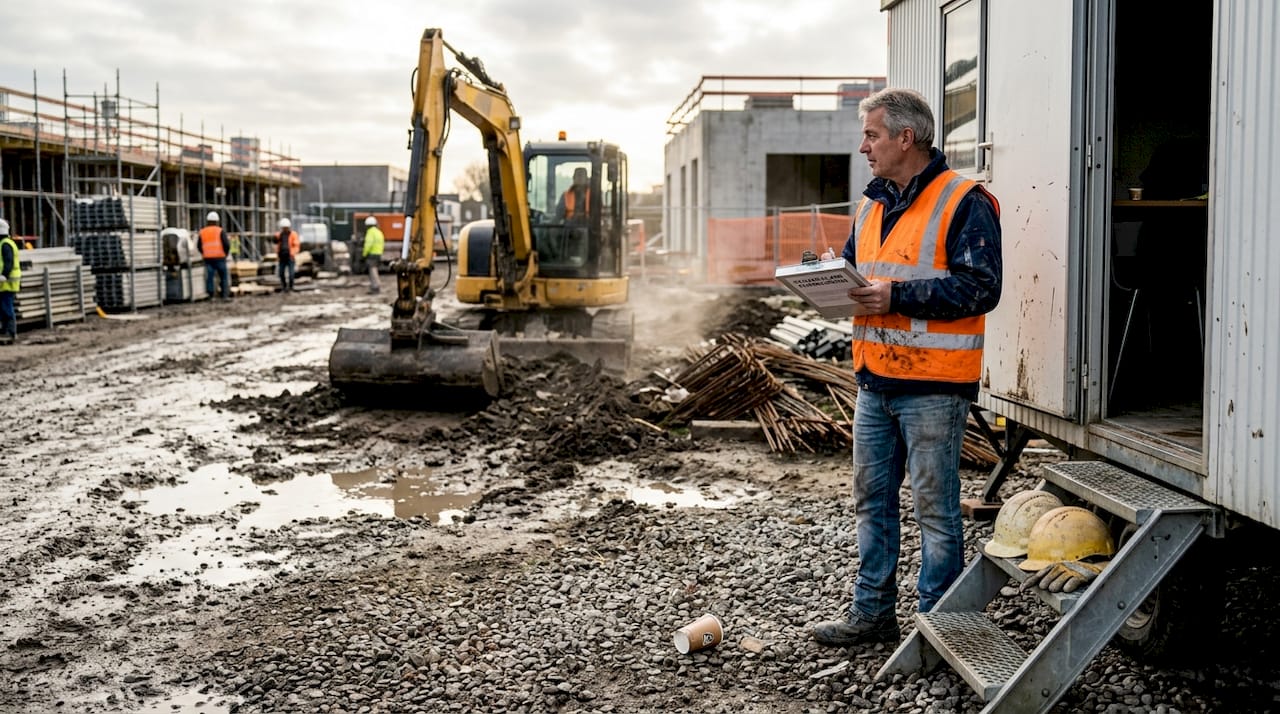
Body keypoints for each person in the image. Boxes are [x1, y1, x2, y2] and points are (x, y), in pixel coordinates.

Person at [810, 87, 1003, 648]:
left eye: (872, 134)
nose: (863, 146)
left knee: (935, 510)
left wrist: (895, 296)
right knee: (871, 500)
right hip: (875, 381)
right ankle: (872, 614)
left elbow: (980, 287)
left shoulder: (965, 200)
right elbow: (856, 269)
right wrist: (823, 279)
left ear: (905, 137)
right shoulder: (872, 203)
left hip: (933, 387)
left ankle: (936, 627)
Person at [199, 211, 232, 300]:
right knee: (223, 277)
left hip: (208, 258)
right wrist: (226, 254)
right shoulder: (220, 231)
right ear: (217, 221)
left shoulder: (202, 232)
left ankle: (211, 296)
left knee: (210, 277)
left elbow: (199, 245)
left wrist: (204, 253)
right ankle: (224, 295)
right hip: (220, 257)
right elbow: (226, 244)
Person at [0, 218, 21, 344]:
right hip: (3, 284)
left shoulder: (5, 244)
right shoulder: (4, 243)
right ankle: (5, 331)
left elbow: (8, 261)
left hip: (8, 282)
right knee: (2, 308)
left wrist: (4, 275)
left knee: (7, 307)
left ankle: (11, 332)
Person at [274, 218, 300, 292]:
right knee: (281, 273)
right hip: (282, 257)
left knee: (291, 274)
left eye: (286, 228)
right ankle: (284, 287)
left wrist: (292, 253)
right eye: (283, 228)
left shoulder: (293, 234)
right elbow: (275, 240)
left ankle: (291, 287)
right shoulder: (280, 235)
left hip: (290, 257)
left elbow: (296, 246)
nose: (285, 229)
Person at [361, 216, 384, 294]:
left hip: (372, 254)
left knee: (372, 271)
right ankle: (376, 286)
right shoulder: (379, 232)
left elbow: (368, 244)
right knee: (375, 270)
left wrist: (364, 254)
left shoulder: (370, 232)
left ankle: (375, 286)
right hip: (378, 253)